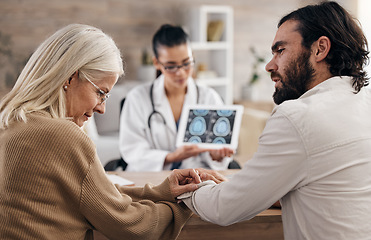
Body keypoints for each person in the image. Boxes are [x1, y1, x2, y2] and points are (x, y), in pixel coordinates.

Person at [0, 24, 225, 240]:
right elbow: (131, 226)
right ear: (70, 77)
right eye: (100, 93)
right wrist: (186, 202)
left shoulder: (9, 119)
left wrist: (162, 192)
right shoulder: (63, 135)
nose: (102, 108)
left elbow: (95, 194)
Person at [179, 2, 371, 239]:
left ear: (320, 49)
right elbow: (335, 188)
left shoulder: (297, 117)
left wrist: (189, 188)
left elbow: (223, 208)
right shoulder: (365, 102)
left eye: (281, 50)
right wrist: (258, 188)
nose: (270, 65)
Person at [119, 24, 234, 172]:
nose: (181, 73)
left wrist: (216, 155)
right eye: (171, 66)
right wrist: (172, 157)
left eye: (186, 63)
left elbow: (218, 155)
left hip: (197, 180)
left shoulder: (209, 97)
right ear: (157, 63)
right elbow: (132, 151)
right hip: (152, 180)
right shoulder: (137, 98)